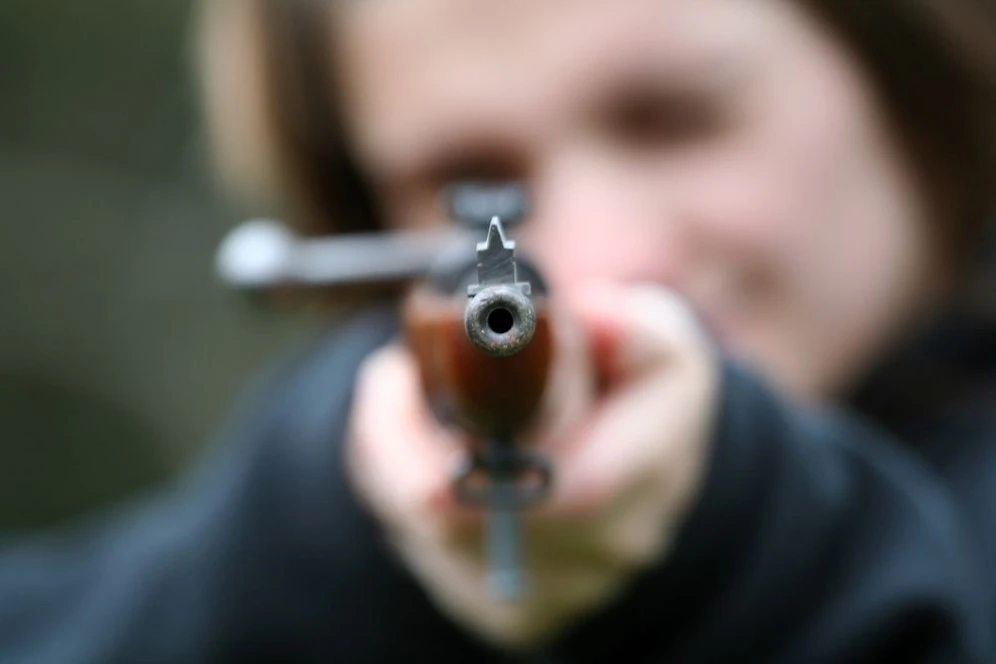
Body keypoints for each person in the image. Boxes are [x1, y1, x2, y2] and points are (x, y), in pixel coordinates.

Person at [3, 0, 996, 661]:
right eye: (460, 178)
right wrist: (319, 530)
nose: (601, 257)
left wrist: (745, 541)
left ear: (909, 66)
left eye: (675, 118)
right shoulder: (302, 518)